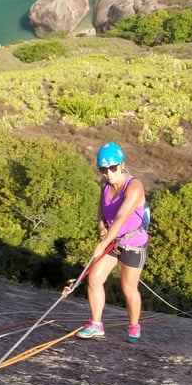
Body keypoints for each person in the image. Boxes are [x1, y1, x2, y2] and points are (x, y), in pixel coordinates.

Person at [75, 142, 148, 343]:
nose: (108, 172)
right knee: (95, 279)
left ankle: (134, 326)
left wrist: (103, 242)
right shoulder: (105, 185)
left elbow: (121, 217)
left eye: (113, 167)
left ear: (122, 164)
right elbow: (102, 210)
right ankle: (96, 324)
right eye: (103, 169)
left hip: (133, 244)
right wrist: (101, 228)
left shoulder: (134, 186)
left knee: (128, 288)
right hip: (113, 241)